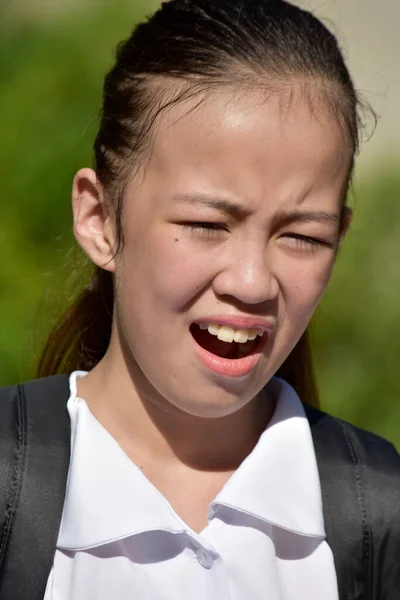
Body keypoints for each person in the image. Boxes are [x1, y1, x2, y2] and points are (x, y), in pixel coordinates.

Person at [0, 1, 398, 599]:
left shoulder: (379, 516)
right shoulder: (14, 483)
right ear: (100, 217)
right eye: (208, 224)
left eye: (302, 237)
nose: (252, 281)